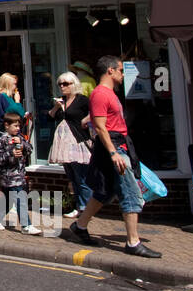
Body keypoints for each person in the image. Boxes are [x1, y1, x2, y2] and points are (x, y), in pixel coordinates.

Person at [66, 55, 161, 258]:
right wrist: (113, 153)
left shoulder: (108, 94)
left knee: (104, 192)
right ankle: (133, 242)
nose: (122, 74)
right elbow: (100, 127)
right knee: (131, 193)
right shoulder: (101, 94)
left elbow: (95, 120)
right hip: (114, 146)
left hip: (118, 144)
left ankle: (80, 226)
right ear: (110, 70)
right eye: (120, 70)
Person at [47, 71, 93, 218]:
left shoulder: (82, 100)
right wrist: (56, 107)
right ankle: (79, 206)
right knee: (72, 177)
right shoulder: (61, 101)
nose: (62, 86)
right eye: (60, 84)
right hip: (64, 145)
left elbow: (95, 112)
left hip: (78, 142)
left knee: (81, 177)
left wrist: (86, 120)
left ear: (74, 84)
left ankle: (86, 208)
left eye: (65, 84)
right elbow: (50, 118)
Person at [0, 111, 41, 234]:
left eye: (19, 126)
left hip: (19, 176)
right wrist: (10, 154)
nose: (18, 128)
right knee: (20, 199)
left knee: (8, 201)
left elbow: (30, 149)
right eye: (15, 126)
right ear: (7, 125)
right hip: (8, 177)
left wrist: (22, 145)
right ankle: (26, 226)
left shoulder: (20, 138)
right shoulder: (2, 140)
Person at [0, 73, 24, 156]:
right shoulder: (3, 97)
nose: (16, 87)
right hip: (3, 133)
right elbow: (18, 113)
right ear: (8, 84)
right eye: (14, 84)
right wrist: (17, 101)